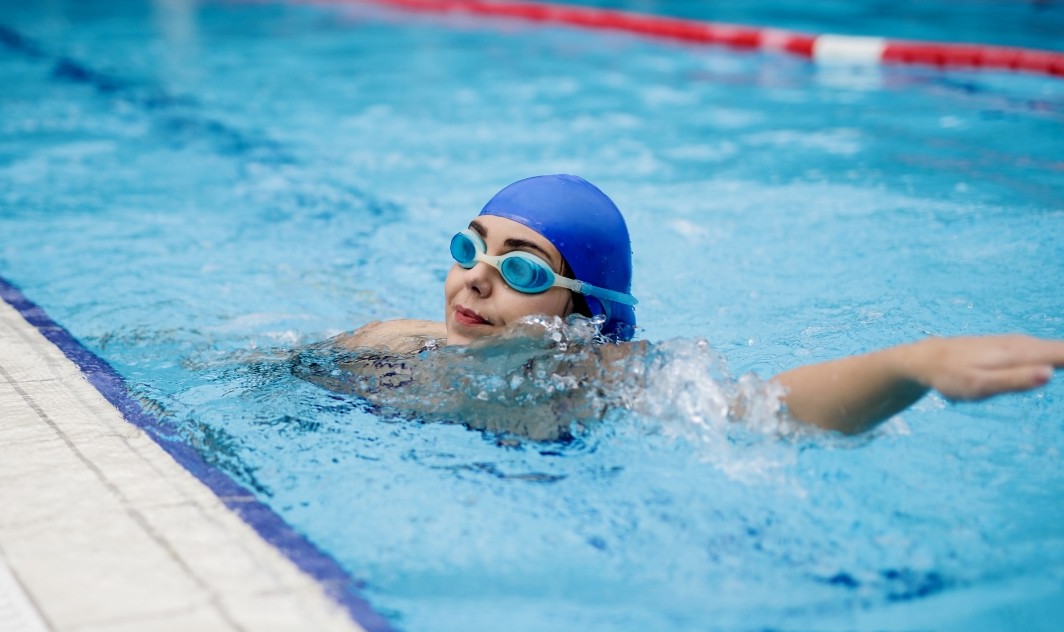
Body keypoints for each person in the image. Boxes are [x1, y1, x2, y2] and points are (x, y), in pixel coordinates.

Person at [339, 174, 1064, 436]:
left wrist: (915, 364)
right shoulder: (393, 344)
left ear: (580, 317)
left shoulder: (597, 384)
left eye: (523, 270)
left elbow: (769, 412)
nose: (476, 280)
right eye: (470, 250)